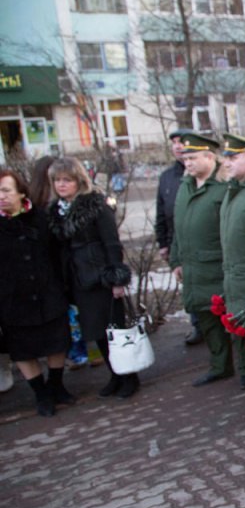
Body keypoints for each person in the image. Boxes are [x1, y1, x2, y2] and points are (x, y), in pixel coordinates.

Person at [48, 158, 139, 399]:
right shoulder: (57, 211)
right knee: (96, 332)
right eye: (57, 180)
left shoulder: (95, 204)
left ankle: (129, 376)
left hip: (101, 277)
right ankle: (115, 375)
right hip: (78, 279)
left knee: (115, 330)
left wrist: (116, 278)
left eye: (66, 180)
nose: (61, 185)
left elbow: (111, 242)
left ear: (79, 180)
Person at [0, 168, 70, 416]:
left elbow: (58, 254)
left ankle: (56, 385)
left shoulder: (41, 218)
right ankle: (41, 393)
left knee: (57, 342)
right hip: (12, 301)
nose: (1, 196)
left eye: (6, 190)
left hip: (48, 293)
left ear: (20, 192)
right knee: (23, 348)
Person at [169, 133, 234, 388]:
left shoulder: (222, 186)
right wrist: (176, 260)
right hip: (193, 268)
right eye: (185, 158)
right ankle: (220, 365)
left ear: (210, 157)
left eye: (193, 157)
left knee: (232, 321)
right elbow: (179, 226)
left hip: (217, 267)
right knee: (207, 321)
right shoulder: (186, 186)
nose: (188, 163)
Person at [219, 134, 245, 390]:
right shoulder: (232, 192)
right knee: (244, 331)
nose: (227, 163)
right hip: (235, 277)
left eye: (233, 157)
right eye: (225, 158)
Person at [156, 128, 203, 347]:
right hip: (178, 240)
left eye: (181, 141)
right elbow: (161, 213)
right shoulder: (167, 177)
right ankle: (197, 325)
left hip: (201, 242)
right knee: (187, 283)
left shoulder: (202, 175)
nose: (177, 145)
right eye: (174, 142)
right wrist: (163, 243)